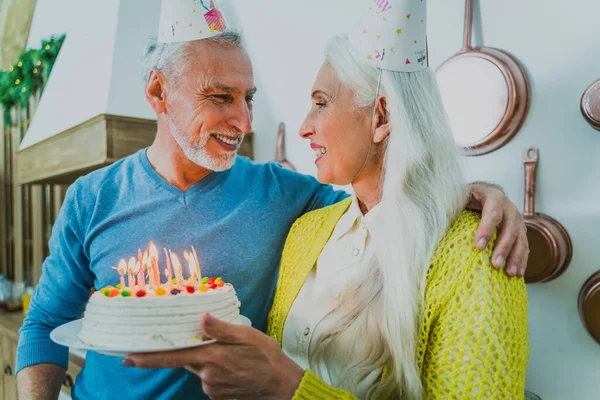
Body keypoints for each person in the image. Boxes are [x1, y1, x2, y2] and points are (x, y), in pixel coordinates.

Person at [18, 2, 528, 400]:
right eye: (221, 96)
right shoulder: (91, 197)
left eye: (249, 98)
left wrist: (476, 193)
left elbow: (389, 204)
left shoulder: (288, 198)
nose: (244, 121)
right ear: (157, 92)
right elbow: (44, 323)